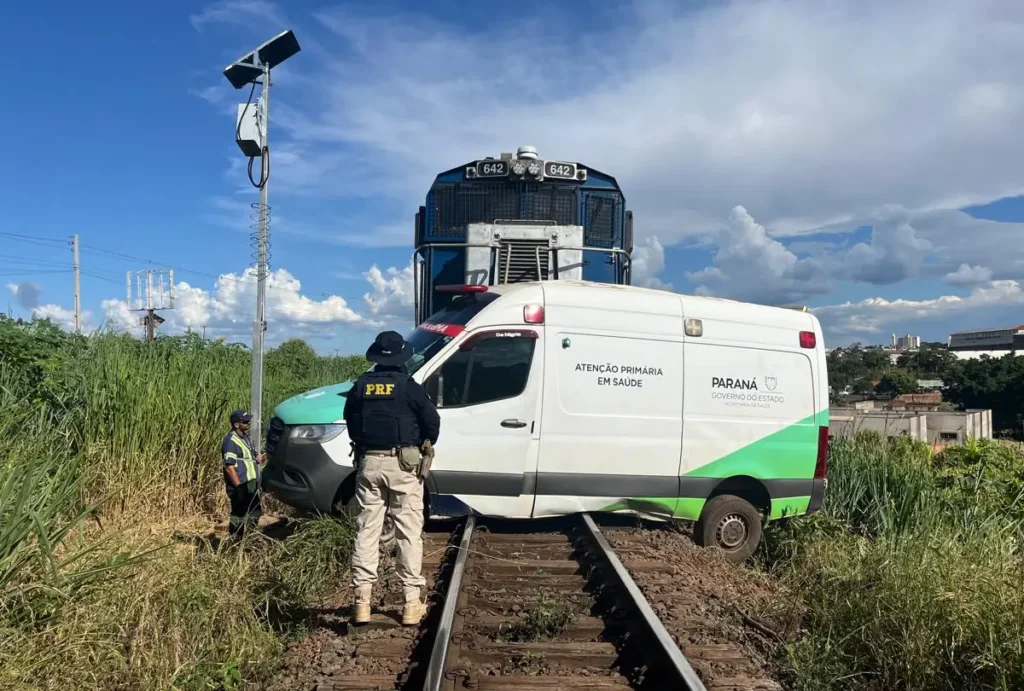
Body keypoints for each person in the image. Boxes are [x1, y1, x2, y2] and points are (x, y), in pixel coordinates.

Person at [344, 330, 440, 626]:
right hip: (403, 466)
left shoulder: (361, 385)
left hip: (368, 462)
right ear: (402, 356)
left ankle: (362, 602)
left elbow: (350, 420)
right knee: (408, 531)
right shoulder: (409, 388)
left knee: (367, 530)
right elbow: (432, 423)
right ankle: (411, 603)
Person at [221, 409, 264, 539]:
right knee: (239, 515)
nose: (248, 423)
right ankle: (236, 540)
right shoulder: (230, 441)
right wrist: (238, 486)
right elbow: (229, 466)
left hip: (250, 483)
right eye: (245, 421)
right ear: (236, 425)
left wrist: (259, 457)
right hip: (240, 484)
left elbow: (250, 457)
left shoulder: (245, 438)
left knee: (255, 511)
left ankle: (250, 537)